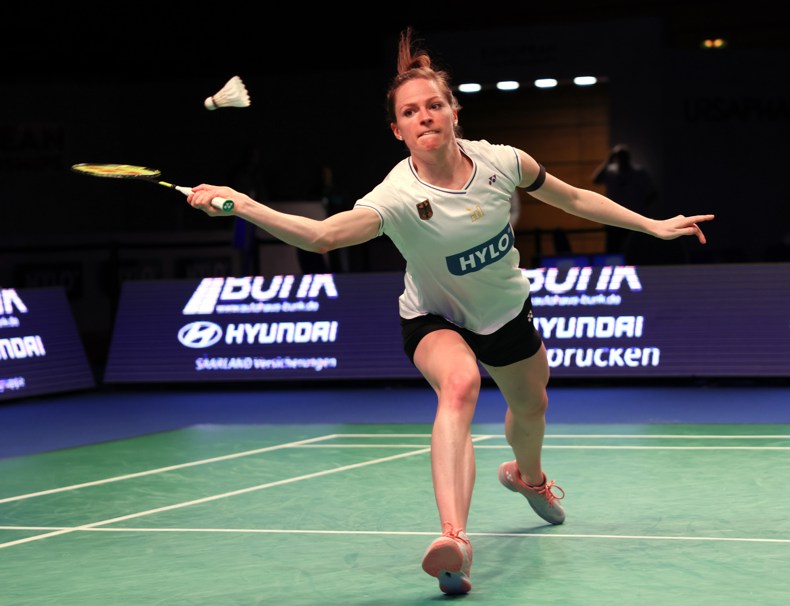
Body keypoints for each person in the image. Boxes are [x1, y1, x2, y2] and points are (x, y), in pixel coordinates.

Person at [186, 27, 715, 596]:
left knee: (531, 406)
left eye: (434, 105)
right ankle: (454, 542)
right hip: (433, 318)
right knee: (460, 385)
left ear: (454, 111)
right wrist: (243, 204)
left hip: (505, 312)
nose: (424, 116)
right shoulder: (394, 196)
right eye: (410, 112)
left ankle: (528, 477)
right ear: (398, 130)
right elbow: (322, 237)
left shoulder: (503, 163)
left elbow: (575, 198)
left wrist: (652, 225)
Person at [591, 144, 658, 260]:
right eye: (619, 157)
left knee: (634, 250)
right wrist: (608, 160)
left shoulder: (638, 173)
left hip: (633, 218)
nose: (621, 159)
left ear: (628, 157)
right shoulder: (610, 171)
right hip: (613, 219)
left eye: (623, 156)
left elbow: (652, 193)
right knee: (613, 251)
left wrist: (641, 209)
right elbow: (595, 180)